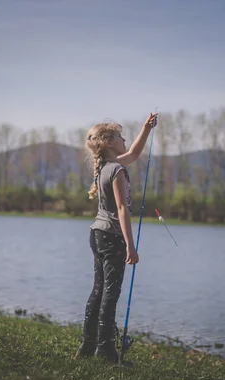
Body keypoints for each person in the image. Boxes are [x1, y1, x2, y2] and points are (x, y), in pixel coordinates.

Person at [74, 112, 158, 363]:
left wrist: (146, 128)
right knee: (110, 293)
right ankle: (106, 352)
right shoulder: (117, 170)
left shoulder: (105, 168)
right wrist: (131, 245)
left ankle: (88, 347)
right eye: (120, 137)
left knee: (98, 291)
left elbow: (133, 153)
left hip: (96, 233)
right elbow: (122, 209)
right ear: (108, 142)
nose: (124, 140)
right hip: (111, 237)